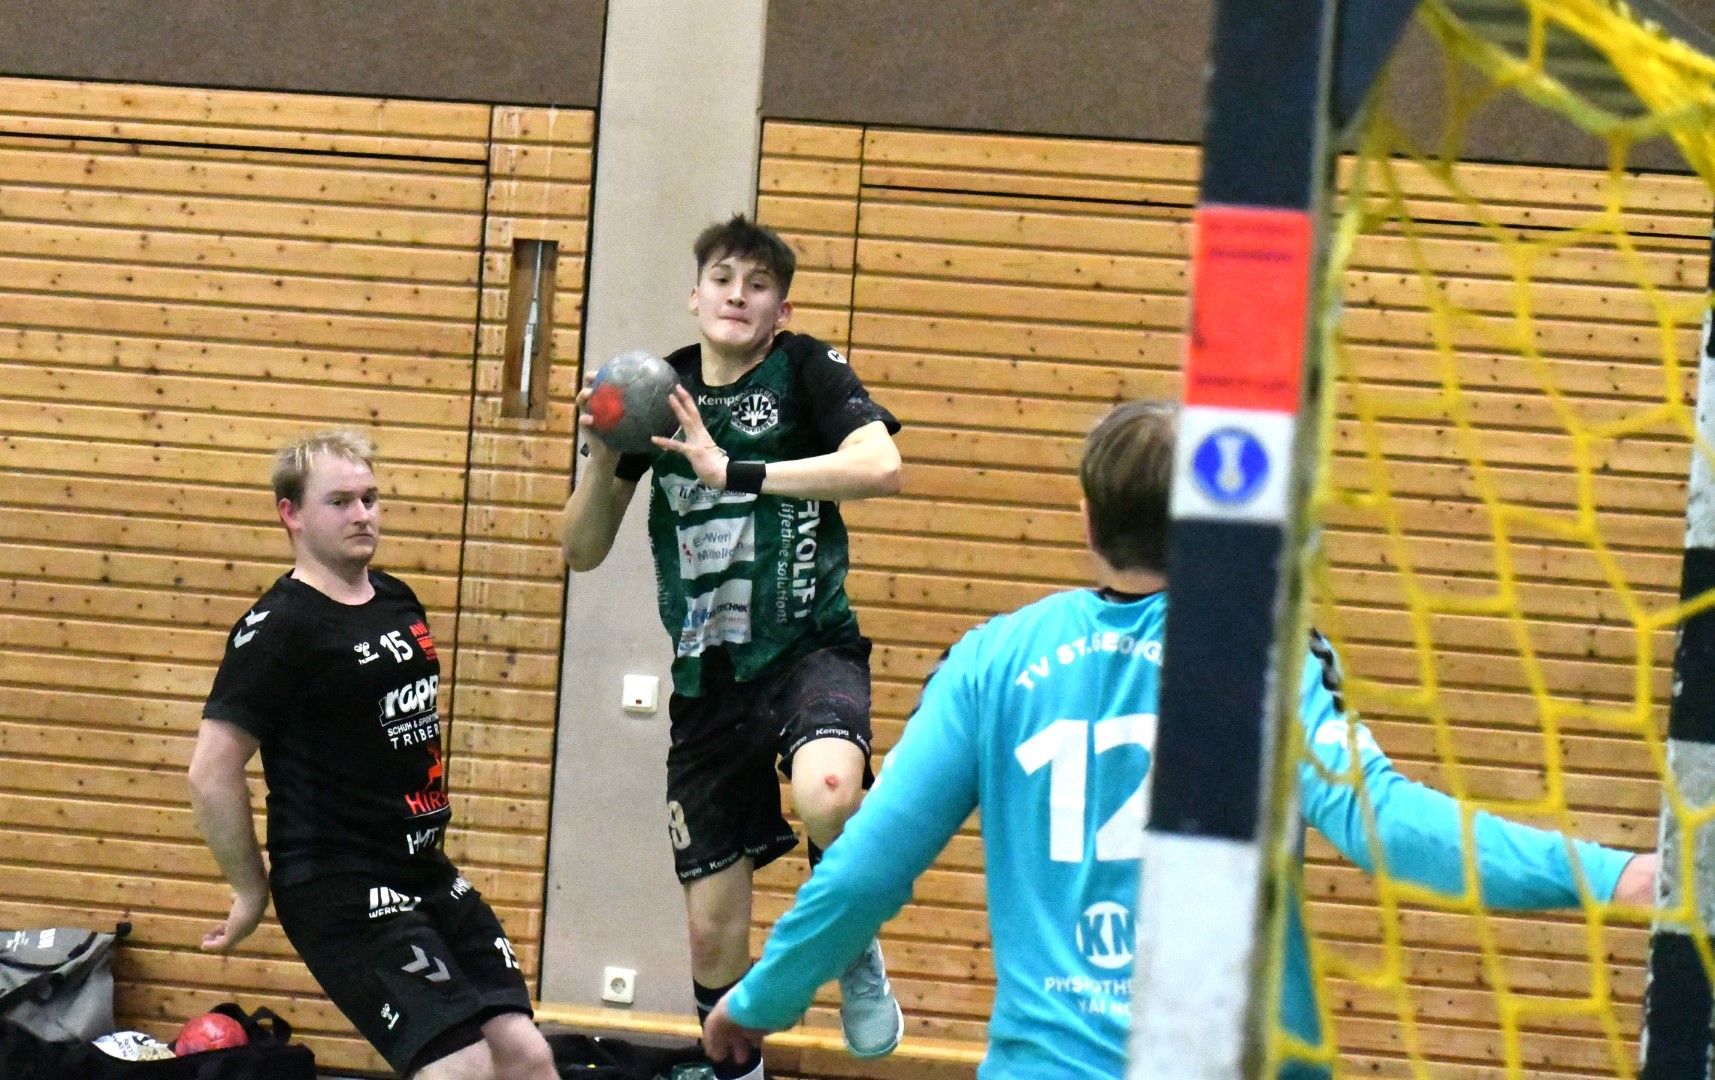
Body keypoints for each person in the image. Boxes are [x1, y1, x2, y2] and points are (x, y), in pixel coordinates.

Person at [701, 399, 1658, 1080]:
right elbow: (1387, 827)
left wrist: (759, 1001)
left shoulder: (992, 660)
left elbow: (865, 868)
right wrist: (1612, 874)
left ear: (1086, 517)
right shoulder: (1260, 654)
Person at [559, 214, 905, 1075]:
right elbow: (581, 549)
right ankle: (736, 1072)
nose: (737, 296)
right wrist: (601, 455)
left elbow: (880, 467)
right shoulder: (658, 391)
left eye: (758, 285)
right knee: (712, 933)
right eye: (722, 279)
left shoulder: (805, 369)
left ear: (780, 310)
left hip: (806, 649)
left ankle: (851, 943)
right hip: (707, 678)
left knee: (830, 795)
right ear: (695, 294)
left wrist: (735, 472)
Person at [188, 431, 557, 1080]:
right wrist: (250, 889)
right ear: (290, 514)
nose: (362, 514)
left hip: (424, 869)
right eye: (340, 502)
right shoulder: (278, 630)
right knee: (461, 1066)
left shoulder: (396, 599)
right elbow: (210, 772)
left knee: (524, 1056)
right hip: (340, 884)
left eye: (370, 498)